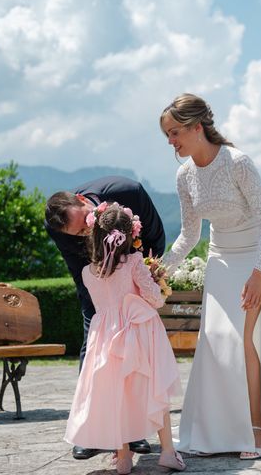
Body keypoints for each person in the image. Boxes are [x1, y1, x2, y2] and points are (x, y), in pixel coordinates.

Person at [160, 93, 261, 459]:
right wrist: (159, 271)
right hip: (220, 259)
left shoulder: (238, 163)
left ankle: (257, 429)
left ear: (197, 127)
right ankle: (216, 431)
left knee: (245, 341)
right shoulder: (184, 175)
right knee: (216, 340)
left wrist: (260, 274)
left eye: (174, 133)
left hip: (257, 255)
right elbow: (189, 235)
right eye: (167, 135)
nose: (171, 142)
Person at [45, 176, 165, 460]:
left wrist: (145, 275)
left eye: (85, 220)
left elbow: (155, 239)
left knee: (133, 359)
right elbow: (80, 270)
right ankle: (90, 432)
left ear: (85, 202)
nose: (86, 230)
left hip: (135, 281)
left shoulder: (128, 192)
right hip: (97, 285)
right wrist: (102, 310)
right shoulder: (58, 227)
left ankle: (133, 432)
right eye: (77, 233)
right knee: (94, 353)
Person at [63, 203, 186, 474]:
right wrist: (157, 284)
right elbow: (155, 299)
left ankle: (123, 458)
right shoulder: (133, 264)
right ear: (131, 235)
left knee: (118, 396)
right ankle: (167, 451)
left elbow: (101, 305)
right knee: (155, 390)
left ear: (96, 235)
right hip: (139, 333)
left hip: (105, 337)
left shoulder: (87, 273)